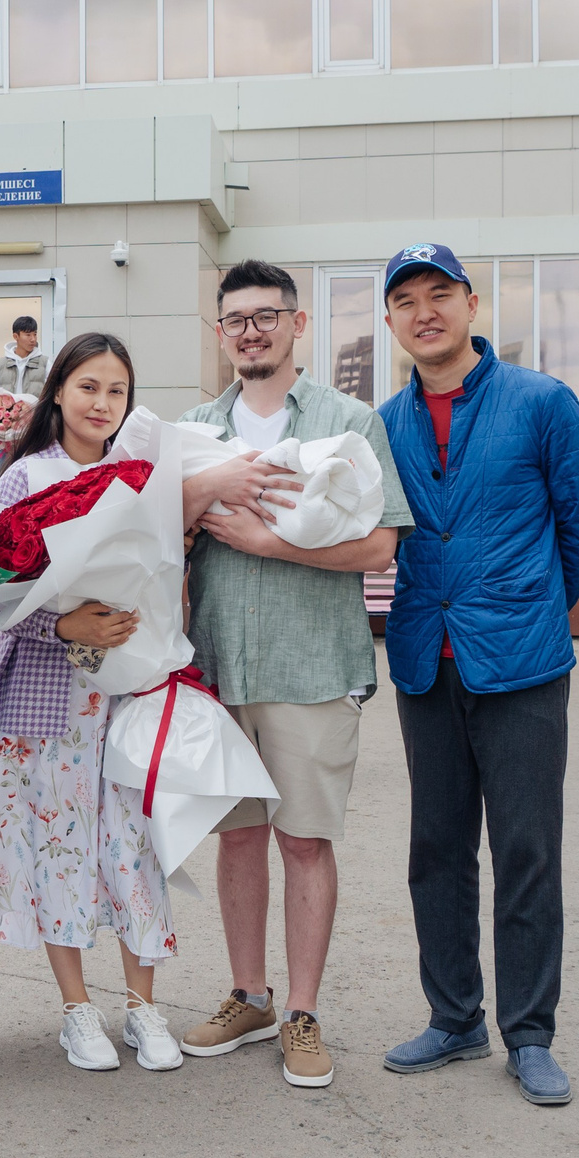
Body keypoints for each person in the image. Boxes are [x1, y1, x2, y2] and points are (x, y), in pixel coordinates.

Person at [371, 243, 579, 1109]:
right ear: (392, 319)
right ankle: (454, 1015)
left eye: (441, 294)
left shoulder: (541, 402)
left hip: (520, 663)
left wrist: (529, 602)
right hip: (422, 662)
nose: (424, 311)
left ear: (473, 305)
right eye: (406, 299)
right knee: (434, 848)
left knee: (524, 847)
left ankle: (531, 1032)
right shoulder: (383, 423)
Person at [172, 261, 412, 1091]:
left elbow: (382, 546)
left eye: (266, 315)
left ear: (296, 324)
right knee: (237, 836)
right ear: (220, 333)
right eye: (235, 318)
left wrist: (271, 544)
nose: (251, 330)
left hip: (311, 665)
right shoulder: (193, 433)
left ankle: (303, 1010)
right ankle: (251, 995)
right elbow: (156, 534)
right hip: (218, 663)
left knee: (304, 840)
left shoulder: (349, 421)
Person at [0, 333, 182, 1074]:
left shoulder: (144, 475)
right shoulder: (23, 478)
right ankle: (78, 1009)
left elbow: (167, 572)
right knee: (59, 846)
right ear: (59, 393)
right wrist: (62, 623)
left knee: (135, 846)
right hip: (49, 695)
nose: (102, 403)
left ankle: (142, 1005)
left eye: (117, 391)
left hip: (131, 686)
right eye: (88, 387)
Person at [0, 315, 49, 458]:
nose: (33, 339)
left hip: (34, 431)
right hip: (7, 432)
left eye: (35, 334)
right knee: (6, 471)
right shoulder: (1, 364)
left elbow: (52, 393)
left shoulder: (45, 363)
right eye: (28, 334)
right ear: (16, 336)